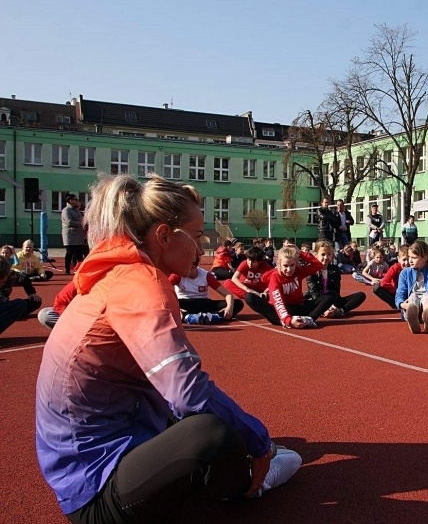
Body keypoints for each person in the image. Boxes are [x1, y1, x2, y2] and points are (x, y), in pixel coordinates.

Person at [35, 174, 301, 523]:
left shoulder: (114, 272)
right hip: (95, 489)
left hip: (83, 461)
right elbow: (187, 391)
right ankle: (249, 485)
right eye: (195, 235)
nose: (202, 245)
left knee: (213, 422)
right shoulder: (141, 283)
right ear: (163, 236)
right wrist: (260, 442)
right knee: (212, 435)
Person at [264, 244, 327, 328]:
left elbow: (318, 265)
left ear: (296, 264)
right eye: (285, 266)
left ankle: (309, 319)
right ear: (279, 264)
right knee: (250, 298)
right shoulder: (275, 277)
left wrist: (300, 253)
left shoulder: (298, 271)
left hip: (299, 306)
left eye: (292, 265)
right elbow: (278, 301)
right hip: (285, 308)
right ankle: (285, 321)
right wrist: (288, 320)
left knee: (330, 295)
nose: (289, 269)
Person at [169, 257, 244, 324]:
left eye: (185, 267)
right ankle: (210, 316)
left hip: (204, 303)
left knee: (238, 304)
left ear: (193, 266)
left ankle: (209, 316)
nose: (182, 269)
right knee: (166, 306)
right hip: (184, 303)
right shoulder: (177, 275)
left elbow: (228, 294)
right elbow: (162, 290)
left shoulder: (206, 275)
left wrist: (229, 307)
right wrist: (176, 307)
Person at [395, 240, 428, 334]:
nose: (410, 260)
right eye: (409, 257)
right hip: (412, 305)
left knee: (427, 296)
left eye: (414, 258)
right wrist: (403, 304)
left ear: (424, 258)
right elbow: (399, 295)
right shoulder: (405, 273)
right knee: (413, 296)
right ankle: (412, 316)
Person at [306, 240, 366, 317]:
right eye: (323, 254)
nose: (326, 257)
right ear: (316, 255)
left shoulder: (335, 270)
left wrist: (332, 305)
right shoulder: (311, 270)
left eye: (329, 254)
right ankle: (322, 312)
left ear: (332, 256)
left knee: (361, 295)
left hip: (332, 299)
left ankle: (340, 311)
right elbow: (314, 293)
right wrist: (325, 307)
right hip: (317, 301)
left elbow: (336, 291)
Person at [0, 260, 32, 335]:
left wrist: (31, 293)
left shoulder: (10, 274)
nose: (5, 279)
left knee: (21, 304)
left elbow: (24, 277)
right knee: (19, 304)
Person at [61, 193, 85, 275]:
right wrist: (81, 223)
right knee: (69, 252)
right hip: (70, 234)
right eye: (75, 199)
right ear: (70, 201)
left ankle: (80, 268)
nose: (77, 201)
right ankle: (67, 269)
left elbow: (80, 218)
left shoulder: (76, 210)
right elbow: (69, 222)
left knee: (79, 252)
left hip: (78, 234)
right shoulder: (66, 210)